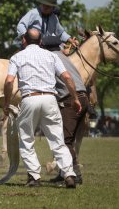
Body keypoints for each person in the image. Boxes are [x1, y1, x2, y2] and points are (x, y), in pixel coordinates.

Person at [3, 28, 82, 188]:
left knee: (26, 140)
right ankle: (69, 175)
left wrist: (6, 103)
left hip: (29, 99)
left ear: (24, 41)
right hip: (50, 98)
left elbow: (9, 81)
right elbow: (67, 77)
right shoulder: (52, 56)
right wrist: (74, 98)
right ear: (40, 42)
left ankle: (34, 177)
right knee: (58, 140)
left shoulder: (17, 57)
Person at [41, 37, 89, 185]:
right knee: (69, 139)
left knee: (64, 140)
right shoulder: (63, 57)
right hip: (83, 97)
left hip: (70, 100)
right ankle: (64, 174)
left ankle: (75, 175)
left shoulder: (51, 58)